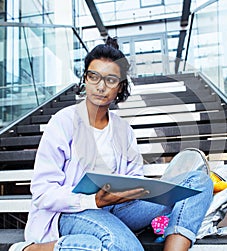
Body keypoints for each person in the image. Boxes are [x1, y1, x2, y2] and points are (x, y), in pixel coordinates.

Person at [9, 37, 213, 251]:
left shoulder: (123, 129)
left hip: (118, 208)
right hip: (70, 212)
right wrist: (94, 201)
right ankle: (30, 249)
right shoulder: (63, 122)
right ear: (85, 79)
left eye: (111, 80)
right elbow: (43, 193)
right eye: (94, 77)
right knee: (124, 247)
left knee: (198, 183)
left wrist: (140, 190)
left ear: (120, 86)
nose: (101, 87)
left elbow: (134, 178)